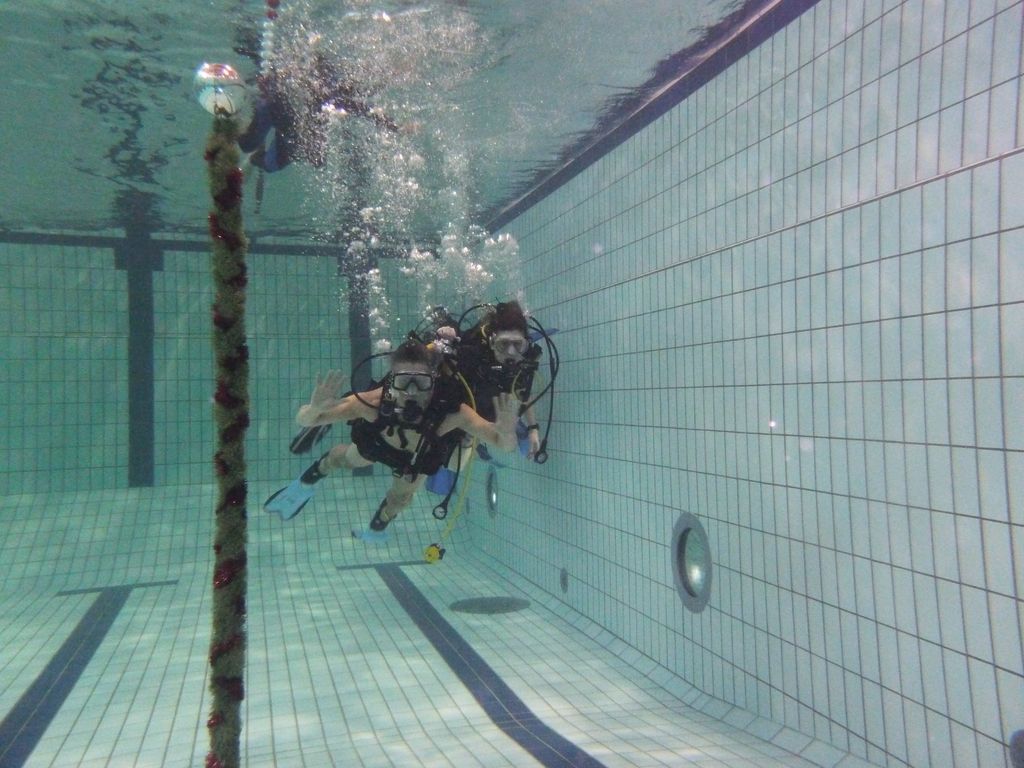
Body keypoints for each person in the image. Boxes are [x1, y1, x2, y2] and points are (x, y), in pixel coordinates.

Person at [264, 338, 520, 538]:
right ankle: (307, 482)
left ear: (433, 381)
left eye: (420, 382)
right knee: (341, 460)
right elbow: (306, 420)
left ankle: (377, 526)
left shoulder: (452, 413)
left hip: (415, 461)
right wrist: (315, 408)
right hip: (378, 445)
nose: (411, 392)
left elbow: (505, 445)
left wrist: (507, 433)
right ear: (391, 382)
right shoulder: (372, 403)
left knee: (400, 500)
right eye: (403, 381)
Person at [195, 58, 401, 173]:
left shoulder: (306, 134)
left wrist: (390, 125)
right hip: (273, 106)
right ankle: (244, 129)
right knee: (252, 147)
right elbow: (358, 107)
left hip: (283, 119)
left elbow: (359, 108)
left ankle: (254, 152)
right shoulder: (324, 98)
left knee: (269, 162)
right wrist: (390, 125)